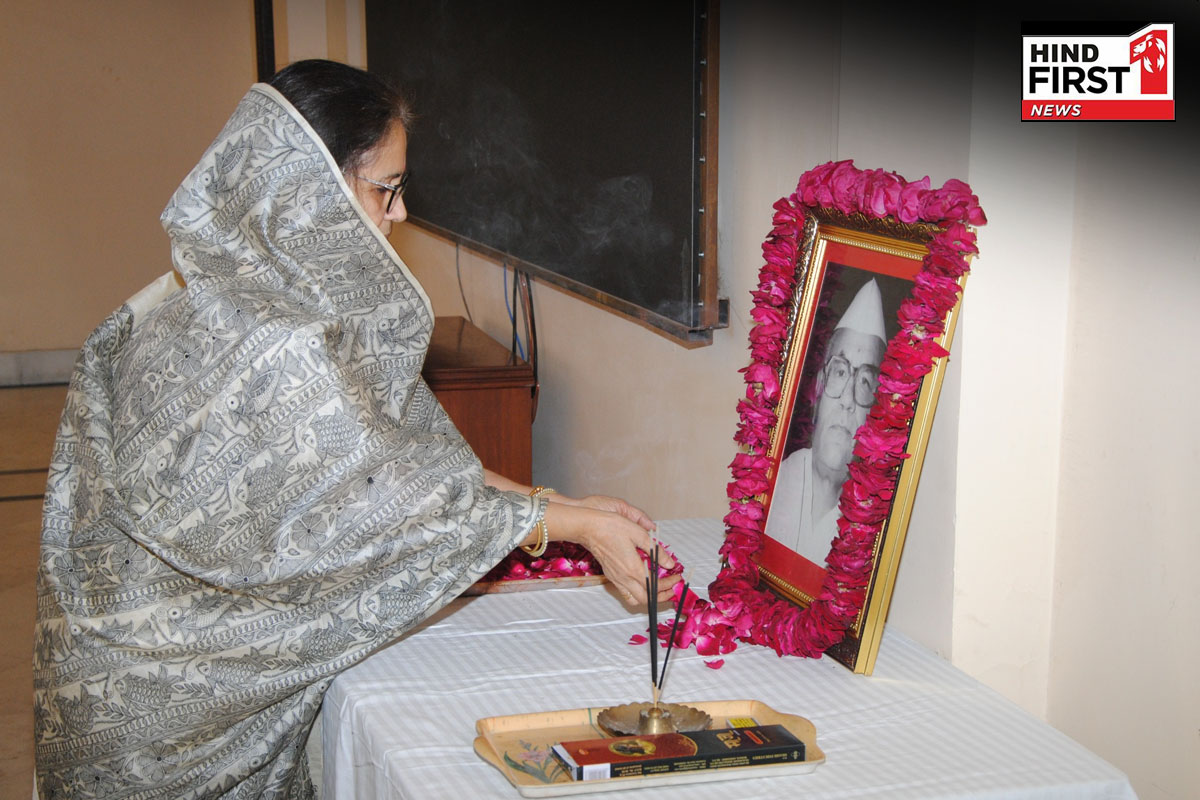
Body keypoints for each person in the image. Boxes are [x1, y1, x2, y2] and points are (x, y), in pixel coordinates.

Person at [34, 60, 676, 799]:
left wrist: (558, 504)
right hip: (169, 710)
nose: (399, 213)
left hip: (118, 658)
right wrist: (571, 524)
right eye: (385, 188)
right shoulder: (275, 342)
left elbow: (398, 461)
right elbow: (385, 509)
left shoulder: (227, 286)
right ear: (310, 188)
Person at [764, 278, 886, 564]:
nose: (847, 400)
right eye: (840, 372)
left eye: (864, 381)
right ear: (819, 387)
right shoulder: (772, 483)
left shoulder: (876, 524)